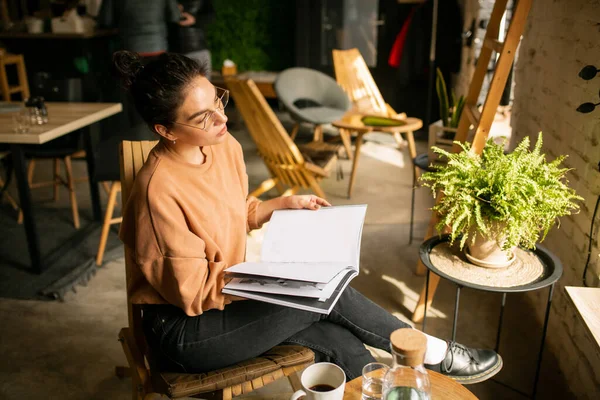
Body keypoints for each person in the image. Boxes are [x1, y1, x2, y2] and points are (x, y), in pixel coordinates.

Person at [115, 50, 503, 383]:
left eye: (218, 101)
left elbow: (234, 210)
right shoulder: (157, 191)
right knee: (321, 292)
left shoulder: (223, 147)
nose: (222, 119)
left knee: (341, 341)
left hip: (232, 305)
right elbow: (193, 292)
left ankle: (394, 384)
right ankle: (435, 352)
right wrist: (272, 280)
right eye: (202, 117)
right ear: (164, 130)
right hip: (186, 330)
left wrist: (277, 206)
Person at [169, 0, 215, 79]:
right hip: (174, 51)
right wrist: (172, 10)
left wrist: (194, 20)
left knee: (203, 84)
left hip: (197, 47)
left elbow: (211, 16)